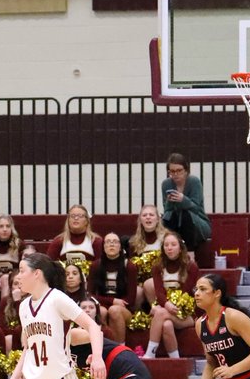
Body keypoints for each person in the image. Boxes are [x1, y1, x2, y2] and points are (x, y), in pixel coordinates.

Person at [143, 231, 200, 359]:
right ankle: (176, 360)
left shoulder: (191, 266)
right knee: (166, 325)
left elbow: (186, 293)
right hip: (167, 308)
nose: (169, 248)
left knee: (160, 313)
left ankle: (149, 354)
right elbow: (159, 291)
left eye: (173, 244)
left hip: (186, 313)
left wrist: (168, 306)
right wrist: (166, 304)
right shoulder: (157, 266)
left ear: (180, 248)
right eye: (166, 245)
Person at [160, 153, 211, 264]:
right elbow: (167, 211)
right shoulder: (166, 184)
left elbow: (197, 208)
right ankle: (168, 256)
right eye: (172, 172)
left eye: (179, 170)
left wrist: (183, 200)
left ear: (186, 170)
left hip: (196, 222)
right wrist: (169, 201)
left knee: (186, 215)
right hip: (175, 221)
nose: (176, 174)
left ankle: (190, 255)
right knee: (168, 218)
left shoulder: (194, 182)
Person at [88, 232, 137, 341]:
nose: (111, 245)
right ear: (103, 246)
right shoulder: (96, 266)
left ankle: (120, 349)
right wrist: (112, 300)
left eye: (115, 242)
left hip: (125, 309)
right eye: (108, 242)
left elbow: (131, 300)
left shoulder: (129, 266)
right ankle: (101, 346)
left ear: (120, 247)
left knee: (114, 311)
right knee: (102, 311)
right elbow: (89, 294)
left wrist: (114, 304)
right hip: (104, 305)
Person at [0, 214, 24, 305]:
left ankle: (5, 310)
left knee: (5, 279)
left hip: (15, 282)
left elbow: (23, 268)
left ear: (12, 229)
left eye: (8, 226)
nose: (5, 229)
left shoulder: (19, 245)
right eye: (1, 226)